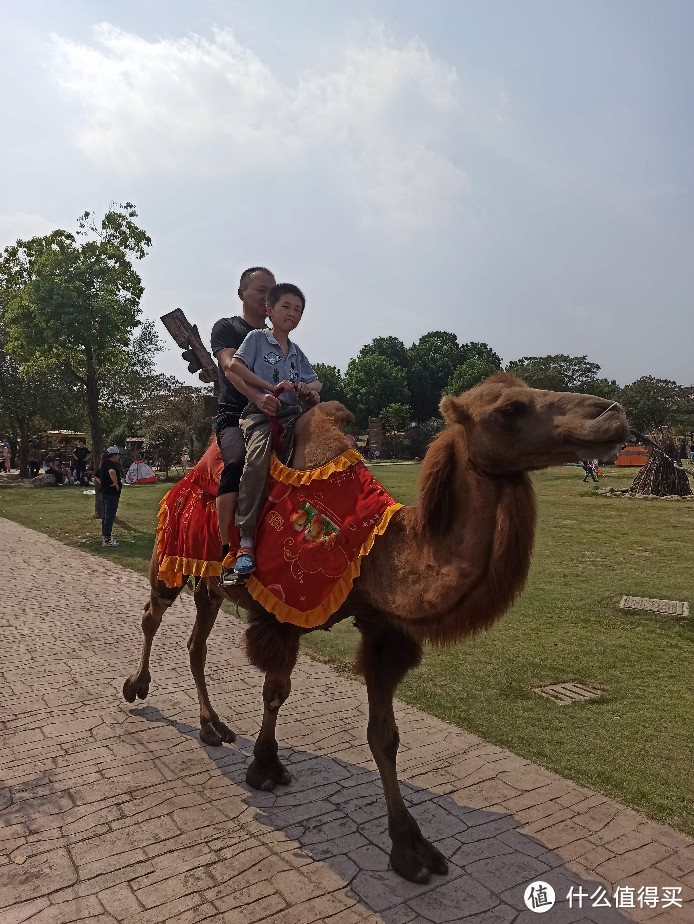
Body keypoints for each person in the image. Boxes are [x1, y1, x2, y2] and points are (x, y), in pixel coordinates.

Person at [228, 282, 322, 579]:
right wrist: (268, 389)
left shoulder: (296, 352)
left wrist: (308, 389)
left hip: (294, 415)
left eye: (298, 310)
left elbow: (317, 382)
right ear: (269, 310)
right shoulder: (256, 338)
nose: (292, 313)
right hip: (260, 415)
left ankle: (320, 528)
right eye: (286, 307)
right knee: (257, 458)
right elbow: (235, 368)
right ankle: (245, 539)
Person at [210, 266, 276, 583]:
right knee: (236, 463)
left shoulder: (276, 338)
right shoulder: (227, 328)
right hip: (235, 416)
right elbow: (230, 368)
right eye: (261, 289)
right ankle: (227, 550)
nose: (268, 296)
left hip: (272, 415)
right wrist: (258, 396)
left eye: (272, 291)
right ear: (242, 294)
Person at [97, 446, 122, 547]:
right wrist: (115, 483)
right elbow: (112, 472)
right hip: (111, 494)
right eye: (118, 455)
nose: (118, 457)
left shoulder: (103, 464)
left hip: (104, 492)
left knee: (105, 516)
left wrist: (104, 483)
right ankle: (107, 540)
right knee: (110, 516)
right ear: (114, 455)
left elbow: (96, 476)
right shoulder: (111, 464)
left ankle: (105, 536)